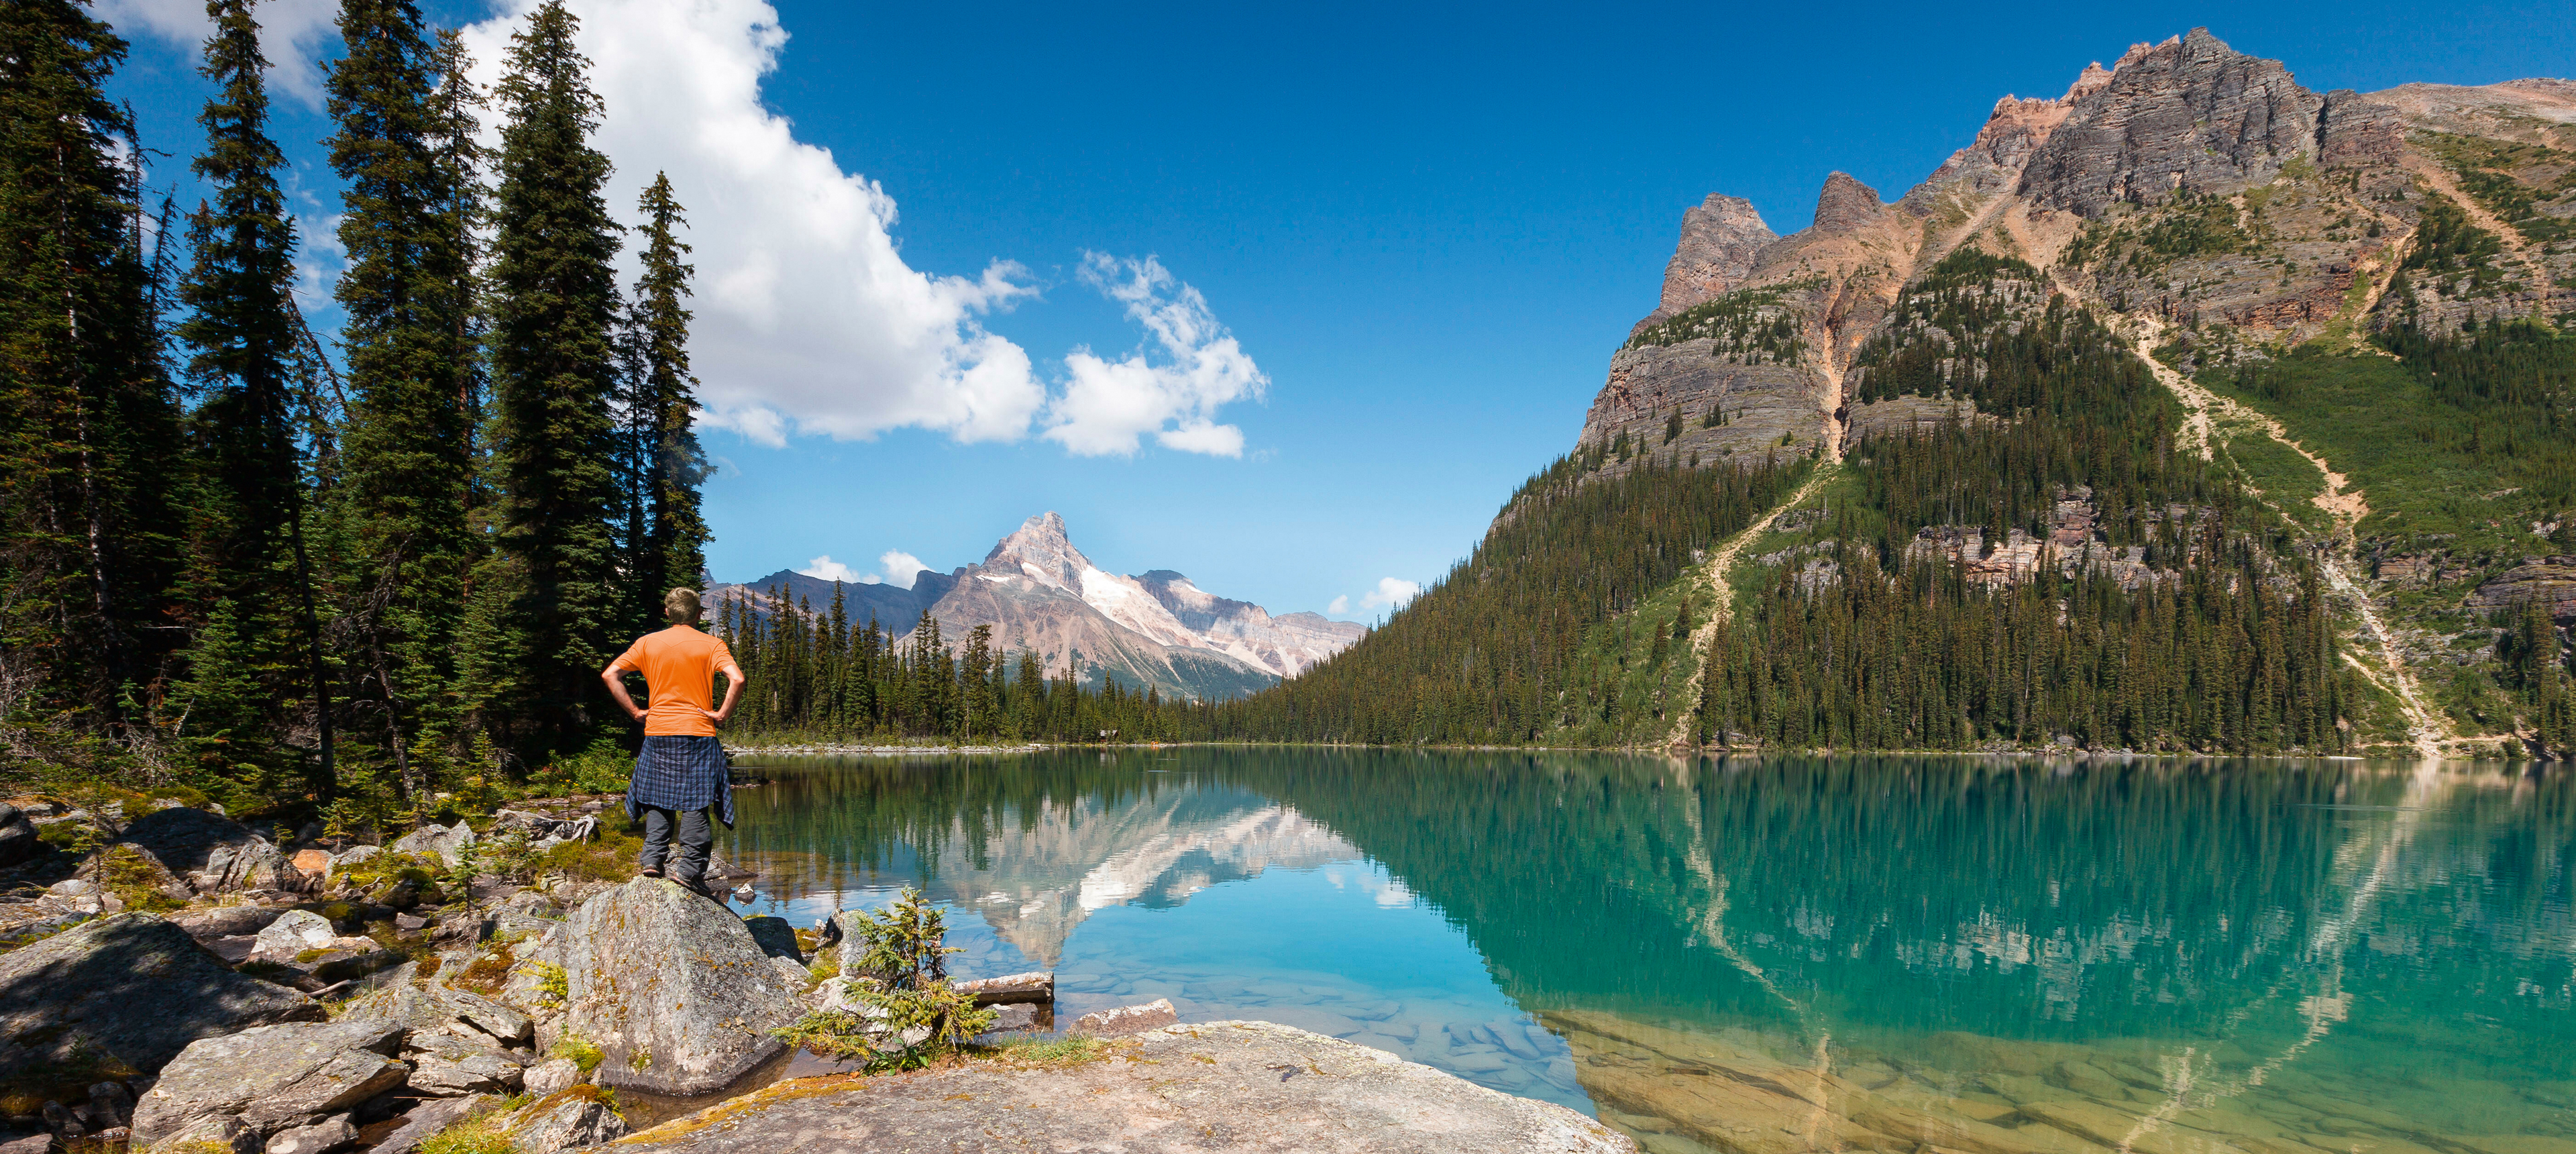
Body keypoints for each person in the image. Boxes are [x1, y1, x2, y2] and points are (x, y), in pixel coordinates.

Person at [600, 588, 745, 897]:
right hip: (698, 733)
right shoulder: (712, 644)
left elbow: (611, 675)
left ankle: (652, 860)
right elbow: (738, 679)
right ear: (697, 614)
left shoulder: (647, 643)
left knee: (657, 798)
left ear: (667, 612)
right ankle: (690, 872)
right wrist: (721, 714)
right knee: (696, 803)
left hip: (659, 731)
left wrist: (637, 712)